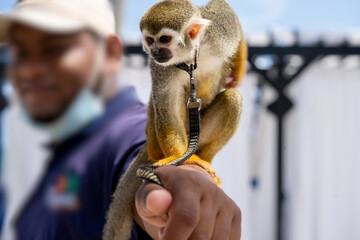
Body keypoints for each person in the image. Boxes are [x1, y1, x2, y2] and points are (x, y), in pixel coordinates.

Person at [0, 0, 242, 239]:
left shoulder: (122, 130)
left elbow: (140, 152)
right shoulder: (58, 154)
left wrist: (185, 179)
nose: (30, 69)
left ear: (111, 52)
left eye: (54, 48)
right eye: (20, 52)